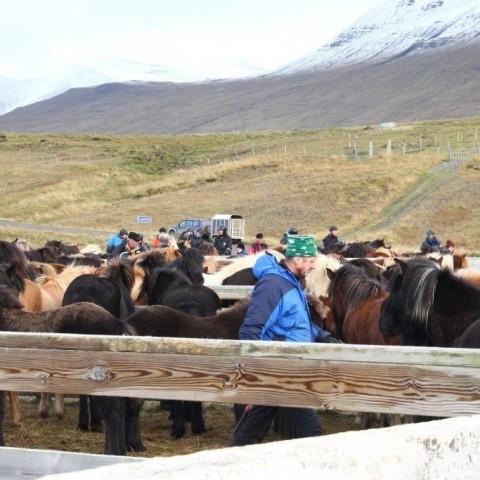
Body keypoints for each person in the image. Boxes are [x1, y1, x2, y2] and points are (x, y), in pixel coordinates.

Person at [231, 234, 340, 447]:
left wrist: (323, 336)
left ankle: (229, 461)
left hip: (285, 367)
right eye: (309, 261)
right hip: (280, 369)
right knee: (311, 429)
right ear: (296, 259)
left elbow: (295, 322)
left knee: (252, 428)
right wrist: (254, 374)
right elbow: (251, 330)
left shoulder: (291, 283)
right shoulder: (274, 286)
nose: (312, 266)